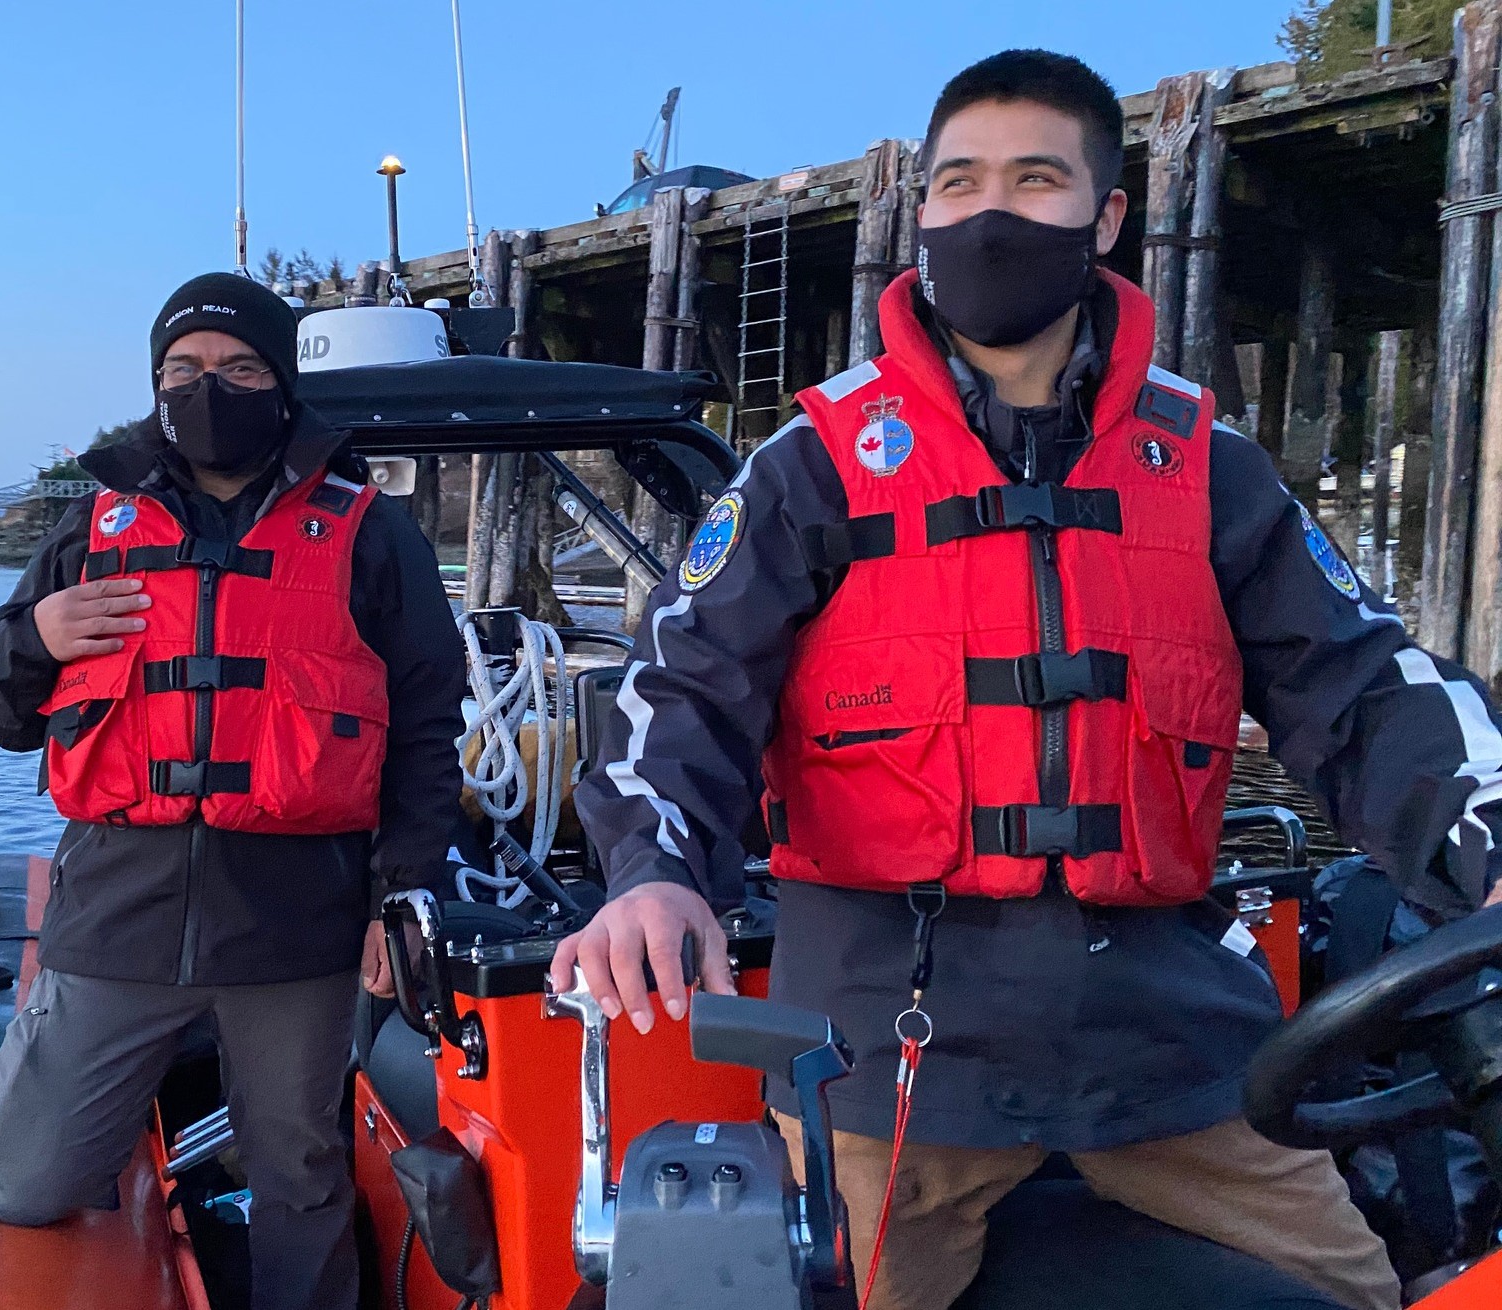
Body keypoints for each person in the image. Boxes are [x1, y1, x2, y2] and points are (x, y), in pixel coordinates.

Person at [555, 50, 1502, 1310]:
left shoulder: (1207, 468)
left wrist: (1484, 837)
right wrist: (653, 870)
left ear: (1103, 218)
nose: (989, 213)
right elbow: (679, 689)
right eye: (958, 182)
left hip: (1170, 1041)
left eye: (1033, 179)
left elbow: (1366, 688)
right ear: (921, 213)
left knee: (1366, 1286)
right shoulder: (809, 465)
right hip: (889, 1052)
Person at [0, 272, 465, 1310]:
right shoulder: (91, 529)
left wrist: (400, 892)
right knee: (25, 1176)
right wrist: (35, 636)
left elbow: (424, 727)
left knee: (300, 1172)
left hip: (296, 925)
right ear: (155, 385)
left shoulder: (371, 531)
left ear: (282, 383)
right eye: (182, 369)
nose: (208, 388)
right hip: (117, 911)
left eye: (239, 368)